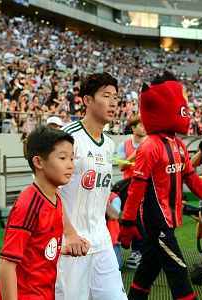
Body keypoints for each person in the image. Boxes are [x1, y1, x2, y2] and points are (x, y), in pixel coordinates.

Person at [118, 72, 202, 300]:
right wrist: (128, 223)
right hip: (156, 219)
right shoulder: (149, 147)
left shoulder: (177, 144)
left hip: (170, 217)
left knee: (147, 271)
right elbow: (135, 188)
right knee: (178, 269)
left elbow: (192, 179)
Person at [55, 72, 127, 300]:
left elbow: (96, 188)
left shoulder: (109, 143)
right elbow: (48, 192)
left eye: (116, 97)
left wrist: (109, 210)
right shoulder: (68, 138)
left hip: (102, 241)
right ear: (87, 100)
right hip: (72, 245)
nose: (114, 102)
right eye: (106, 96)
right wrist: (70, 234)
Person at [0, 126, 88, 300]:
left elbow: (37, 247)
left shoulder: (56, 199)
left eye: (71, 158)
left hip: (45, 293)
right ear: (38, 162)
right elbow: (7, 263)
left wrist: (65, 249)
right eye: (62, 158)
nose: (70, 165)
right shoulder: (28, 205)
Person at [117, 115, 147, 269]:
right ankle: (138, 251)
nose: (144, 128)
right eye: (141, 126)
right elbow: (122, 166)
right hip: (130, 190)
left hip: (147, 188)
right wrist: (137, 152)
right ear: (134, 128)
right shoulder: (124, 144)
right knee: (133, 220)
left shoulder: (150, 144)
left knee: (145, 221)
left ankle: (142, 251)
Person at [107, 191, 123, 271]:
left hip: (111, 240)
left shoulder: (114, 197)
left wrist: (102, 198)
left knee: (117, 266)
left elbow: (113, 216)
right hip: (90, 237)